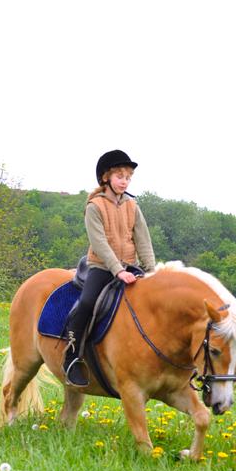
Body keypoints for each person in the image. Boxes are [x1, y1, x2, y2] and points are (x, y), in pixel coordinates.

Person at [62, 149, 157, 387]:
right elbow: (99, 243)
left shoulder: (133, 206)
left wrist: (151, 270)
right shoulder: (95, 206)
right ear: (106, 177)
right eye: (120, 176)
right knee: (86, 303)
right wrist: (118, 270)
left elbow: (143, 240)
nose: (124, 181)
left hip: (130, 266)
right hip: (102, 267)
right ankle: (72, 356)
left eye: (128, 177)